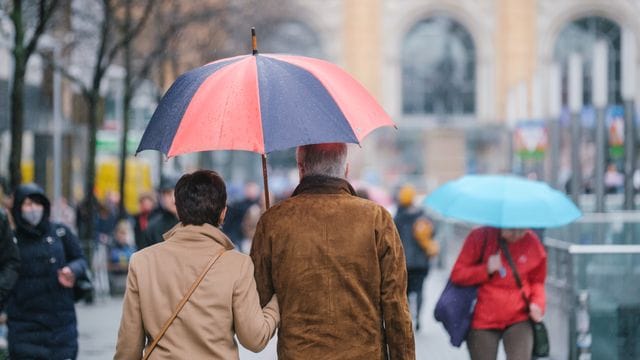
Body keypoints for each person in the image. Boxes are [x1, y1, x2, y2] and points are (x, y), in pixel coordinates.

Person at [251, 143, 415, 359]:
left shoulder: (274, 222)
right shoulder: (377, 218)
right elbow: (395, 307)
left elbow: (258, 301)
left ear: (300, 167)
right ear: (346, 170)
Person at [114, 170, 279, 359]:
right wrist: (276, 302)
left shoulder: (142, 261)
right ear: (223, 212)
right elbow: (254, 338)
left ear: (178, 208)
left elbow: (128, 347)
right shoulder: (238, 264)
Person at [6, 183, 88, 359]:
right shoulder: (10, 240)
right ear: (18, 207)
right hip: (24, 327)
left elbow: (81, 260)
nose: (33, 209)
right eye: (27, 204)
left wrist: (71, 270)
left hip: (60, 326)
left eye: (37, 203)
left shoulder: (60, 232)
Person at [451, 227, 547, 360]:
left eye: (521, 230)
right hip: (483, 318)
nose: (517, 235)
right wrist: (486, 269)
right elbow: (458, 274)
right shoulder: (480, 236)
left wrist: (537, 303)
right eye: (512, 230)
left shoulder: (531, 242)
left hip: (519, 316)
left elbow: (537, 281)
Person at [394, 184, 438, 331]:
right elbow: (433, 233)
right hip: (421, 261)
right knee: (419, 290)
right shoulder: (423, 216)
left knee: (405, 292)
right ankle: (419, 317)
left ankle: (408, 317)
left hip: (404, 262)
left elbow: (393, 238)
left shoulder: (398, 218)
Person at [140, 176, 180, 249]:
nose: (173, 199)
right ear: (161, 197)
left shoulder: (193, 223)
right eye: (168, 194)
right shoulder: (153, 227)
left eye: (177, 192)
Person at [223, 182, 260, 248]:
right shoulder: (238, 206)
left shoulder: (259, 206)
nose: (251, 192)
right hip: (239, 237)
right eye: (249, 189)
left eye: (253, 189)